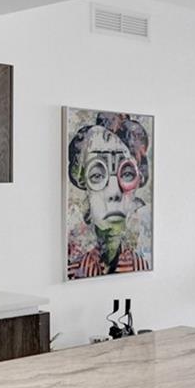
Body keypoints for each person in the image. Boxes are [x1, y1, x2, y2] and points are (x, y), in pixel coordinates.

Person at [66, 112, 151, 277]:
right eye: (97, 175)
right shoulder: (74, 269)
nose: (114, 193)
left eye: (126, 174)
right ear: (82, 181)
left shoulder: (140, 266)